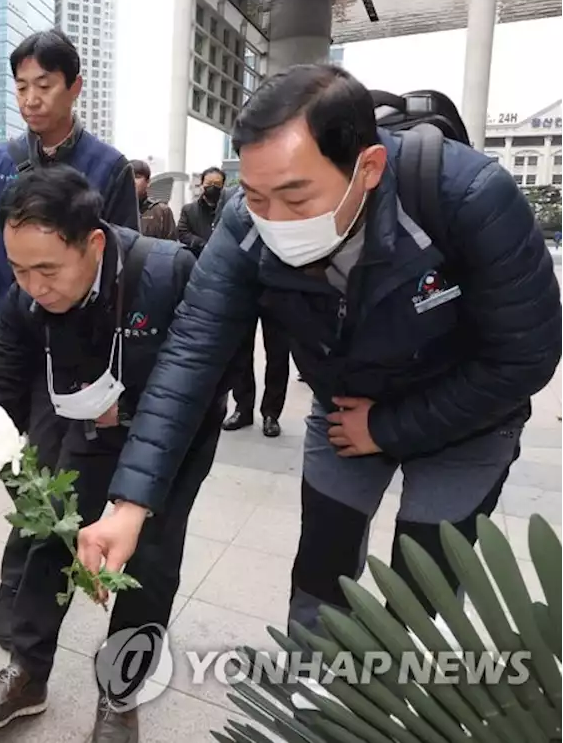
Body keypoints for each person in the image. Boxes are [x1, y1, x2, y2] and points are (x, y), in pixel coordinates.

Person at [78, 64, 563, 641]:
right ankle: (309, 704)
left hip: (467, 420)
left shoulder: (470, 197)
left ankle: (382, 710)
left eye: (295, 195)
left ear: (369, 168)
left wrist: (385, 427)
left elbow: (525, 357)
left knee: (419, 589)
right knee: (321, 573)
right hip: (342, 412)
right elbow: (191, 352)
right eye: (256, 195)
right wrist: (131, 502)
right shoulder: (245, 225)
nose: (273, 220)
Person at [0, 168, 224, 741]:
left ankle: (120, 692)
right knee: (49, 535)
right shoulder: (24, 297)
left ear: (95, 244)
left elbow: (210, 381)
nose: (34, 286)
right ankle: (27, 674)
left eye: (48, 270)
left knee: (150, 565)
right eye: (20, 269)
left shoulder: (166, 273)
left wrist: (129, 412)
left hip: (174, 443)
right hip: (89, 432)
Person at [0, 28, 142, 653]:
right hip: (13, 340)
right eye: (22, 87)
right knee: (17, 471)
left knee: (53, 479)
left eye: (44, 86)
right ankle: (27, 595)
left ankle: (30, 604)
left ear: (74, 88)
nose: (31, 99)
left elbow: (121, 268)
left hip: (77, 356)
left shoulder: (106, 167)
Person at [176, 166, 225, 256]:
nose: (212, 187)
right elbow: (182, 233)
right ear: (202, 184)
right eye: (209, 183)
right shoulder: (189, 210)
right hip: (196, 258)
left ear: (223, 186)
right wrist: (202, 244)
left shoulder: (229, 209)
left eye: (217, 184)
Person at [133, 160, 176, 240]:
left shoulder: (162, 211)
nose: (132, 181)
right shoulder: (115, 209)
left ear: (148, 182)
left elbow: (171, 245)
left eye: (137, 177)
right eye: (128, 176)